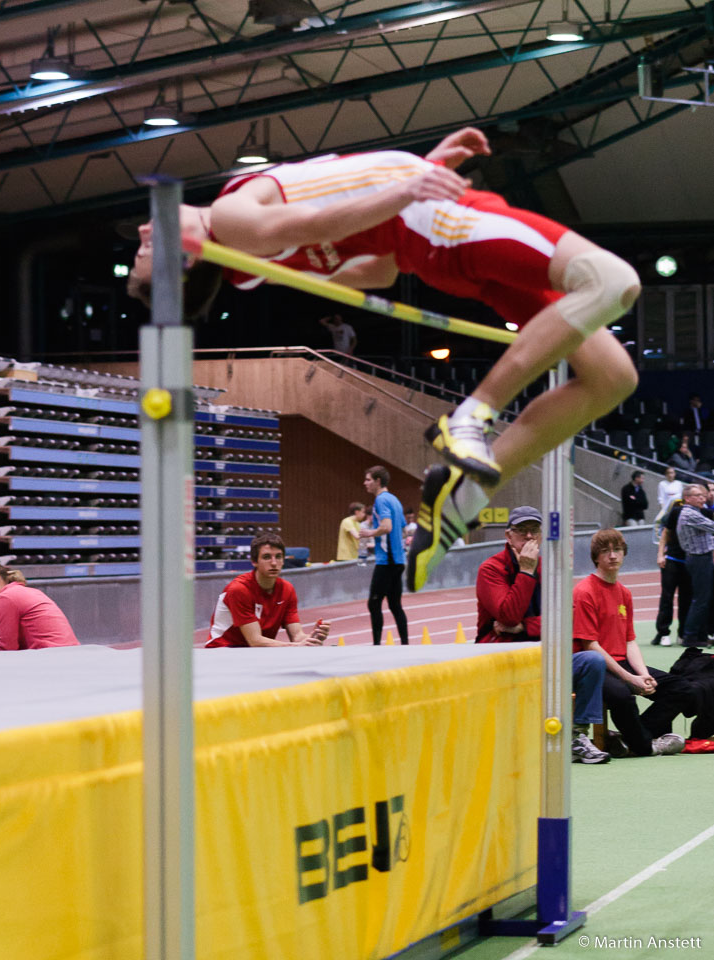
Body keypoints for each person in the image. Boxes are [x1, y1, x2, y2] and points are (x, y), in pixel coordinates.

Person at [127, 126, 640, 593]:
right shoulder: (230, 216)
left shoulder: (254, 268)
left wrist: (417, 170)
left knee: (612, 376)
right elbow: (311, 217)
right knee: (611, 280)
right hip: (440, 222)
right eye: (144, 252)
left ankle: (463, 501)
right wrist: (409, 186)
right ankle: (471, 416)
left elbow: (374, 270)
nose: (142, 235)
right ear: (187, 255)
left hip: (423, 237)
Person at [475, 505, 610, 763]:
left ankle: (577, 737)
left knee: (592, 661)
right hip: (502, 658)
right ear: (508, 536)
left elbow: (567, 617)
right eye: (521, 531)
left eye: (533, 531)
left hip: (543, 655)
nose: (528, 538)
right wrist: (526, 572)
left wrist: (525, 627)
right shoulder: (490, 570)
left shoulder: (550, 568)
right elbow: (507, 615)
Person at [572, 529, 684, 757]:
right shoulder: (584, 591)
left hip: (623, 663)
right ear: (596, 557)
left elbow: (630, 641)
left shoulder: (624, 593)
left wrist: (642, 674)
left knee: (679, 688)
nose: (612, 556)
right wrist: (631, 679)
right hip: (596, 667)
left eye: (617, 550)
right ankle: (645, 746)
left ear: (624, 554)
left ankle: (627, 739)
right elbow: (590, 646)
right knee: (622, 695)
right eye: (605, 551)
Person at [206, 533, 330, 647]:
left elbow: (297, 636)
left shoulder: (287, 589)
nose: (274, 563)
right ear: (254, 561)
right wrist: (295, 646)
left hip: (255, 652)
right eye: (267, 557)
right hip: (223, 649)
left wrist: (312, 639)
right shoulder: (239, 589)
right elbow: (255, 640)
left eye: (278, 557)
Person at [0, 561, 79, 650]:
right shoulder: (21, 591)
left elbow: (5, 651)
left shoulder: (6, 598)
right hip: (68, 654)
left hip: (52, 658)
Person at [359, 465, 409, 645]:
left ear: (378, 481)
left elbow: (387, 526)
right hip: (398, 559)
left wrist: (369, 533)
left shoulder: (381, 500)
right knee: (395, 605)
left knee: (374, 603)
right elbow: (403, 530)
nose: (365, 483)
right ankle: (405, 644)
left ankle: (376, 645)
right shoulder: (395, 500)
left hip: (387, 561)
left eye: (368, 479)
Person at [652, 493, 693, 646]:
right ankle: (663, 633)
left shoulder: (701, 514)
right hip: (672, 560)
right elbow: (665, 533)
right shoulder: (675, 512)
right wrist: (660, 554)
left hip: (688, 562)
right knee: (667, 597)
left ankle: (682, 633)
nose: (701, 498)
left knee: (686, 599)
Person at [676, 484, 714, 649]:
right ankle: (690, 636)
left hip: (700, 558)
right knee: (701, 599)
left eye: (702, 495)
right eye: (698, 495)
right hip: (699, 559)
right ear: (687, 498)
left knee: (703, 598)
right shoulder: (690, 514)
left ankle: (699, 635)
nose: (702, 498)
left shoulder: (693, 512)